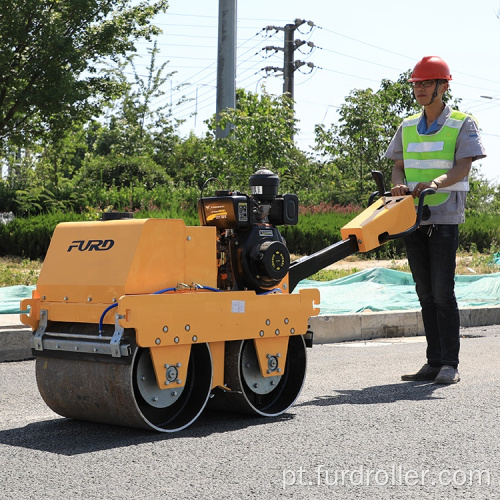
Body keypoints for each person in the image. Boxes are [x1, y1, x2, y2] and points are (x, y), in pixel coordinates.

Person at [385, 56, 486, 384]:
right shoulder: (408, 126)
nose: (421, 89)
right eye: (417, 84)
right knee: (424, 292)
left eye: (427, 83)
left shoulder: (461, 123)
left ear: (443, 86)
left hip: (444, 216)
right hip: (413, 217)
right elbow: (397, 164)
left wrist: (435, 184)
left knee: (443, 291)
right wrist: (397, 184)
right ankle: (432, 361)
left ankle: (449, 364)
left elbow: (463, 166)